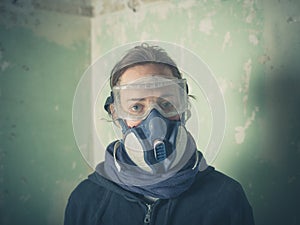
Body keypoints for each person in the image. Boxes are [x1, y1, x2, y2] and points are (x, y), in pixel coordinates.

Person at [64, 43, 255, 225]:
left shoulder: (225, 198)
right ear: (116, 114)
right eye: (136, 107)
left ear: (184, 107)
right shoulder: (86, 201)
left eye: (167, 104)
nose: (155, 122)